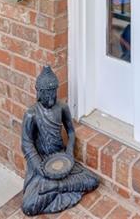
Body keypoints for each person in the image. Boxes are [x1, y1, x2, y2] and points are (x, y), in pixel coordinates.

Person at [20, 66, 99, 215]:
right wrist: (39, 167)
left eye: (54, 93)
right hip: (42, 163)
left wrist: (69, 152)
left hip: (62, 159)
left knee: (93, 180)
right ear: (39, 92)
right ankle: (62, 186)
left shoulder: (62, 107)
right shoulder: (31, 114)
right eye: (47, 94)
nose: (51, 98)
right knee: (28, 206)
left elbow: (71, 131)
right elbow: (27, 144)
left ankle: (55, 187)